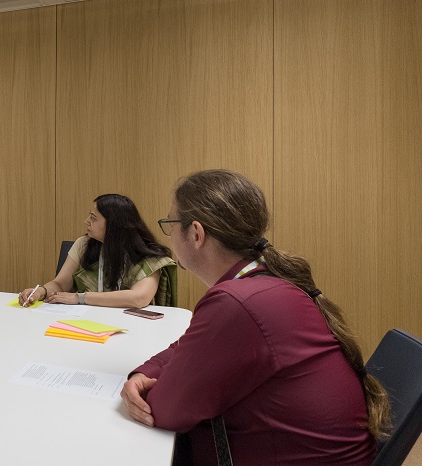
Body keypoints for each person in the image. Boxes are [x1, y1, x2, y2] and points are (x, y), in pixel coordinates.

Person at [120, 170, 389, 465]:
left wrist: (148, 386)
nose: (168, 235)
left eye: (170, 224)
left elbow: (164, 410)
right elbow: (188, 346)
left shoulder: (239, 302)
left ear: (196, 234)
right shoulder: (261, 283)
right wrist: (145, 373)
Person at [20, 194, 176, 308]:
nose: (86, 222)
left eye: (93, 218)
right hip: (86, 323)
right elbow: (61, 284)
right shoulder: (85, 244)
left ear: (114, 225)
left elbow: (139, 298)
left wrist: (79, 298)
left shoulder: (149, 256)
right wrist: (41, 291)